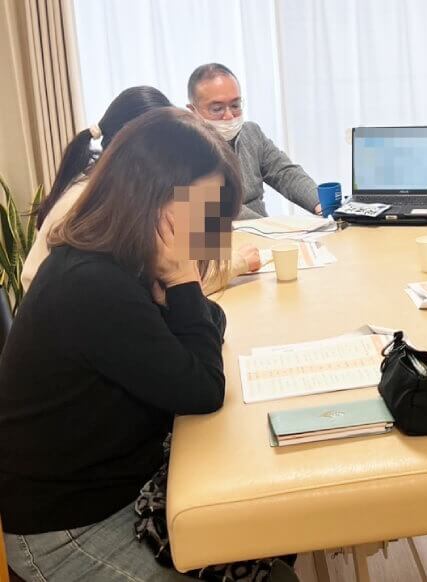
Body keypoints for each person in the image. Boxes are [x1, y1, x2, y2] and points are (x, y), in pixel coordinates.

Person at [0, 107, 277, 581]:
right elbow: (202, 388)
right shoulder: (93, 284)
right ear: (152, 201)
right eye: (204, 212)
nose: (211, 232)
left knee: (265, 542)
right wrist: (183, 281)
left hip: (122, 486)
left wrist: (182, 290)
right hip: (67, 530)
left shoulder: (123, 262)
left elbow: (210, 321)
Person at [21, 86, 261, 293]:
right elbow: (178, 286)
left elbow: (200, 261)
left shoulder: (129, 190)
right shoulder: (94, 203)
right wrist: (236, 263)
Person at [186, 63, 321, 219]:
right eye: (217, 109)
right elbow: (217, 209)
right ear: (193, 111)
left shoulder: (251, 133)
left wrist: (320, 202)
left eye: (235, 105)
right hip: (221, 231)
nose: (229, 115)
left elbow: (284, 173)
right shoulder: (183, 152)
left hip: (265, 229)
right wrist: (273, 228)